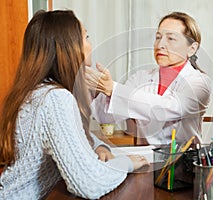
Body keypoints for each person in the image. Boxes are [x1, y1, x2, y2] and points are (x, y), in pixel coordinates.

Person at [0, 10, 148, 200]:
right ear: (69, 47)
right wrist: (127, 163)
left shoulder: (37, 92)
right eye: (86, 36)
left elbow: (79, 138)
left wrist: (100, 148)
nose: (90, 44)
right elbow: (88, 184)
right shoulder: (55, 99)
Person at [87, 12, 212, 145]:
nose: (160, 44)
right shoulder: (140, 78)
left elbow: (168, 108)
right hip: (148, 159)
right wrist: (96, 90)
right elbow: (105, 117)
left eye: (171, 38)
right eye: (158, 37)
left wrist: (113, 89)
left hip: (184, 161)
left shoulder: (200, 83)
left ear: (191, 49)